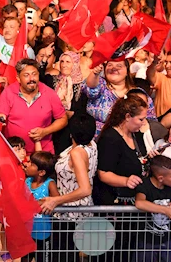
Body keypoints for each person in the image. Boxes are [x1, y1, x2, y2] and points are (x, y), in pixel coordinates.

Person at [38, 106, 98, 261]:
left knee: (62, 256)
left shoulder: (77, 153)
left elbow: (85, 189)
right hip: (77, 211)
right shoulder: (91, 145)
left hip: (70, 214)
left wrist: (56, 200)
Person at [0, 58, 67, 154]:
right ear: (18, 78)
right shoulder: (8, 92)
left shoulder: (49, 93)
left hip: (43, 153)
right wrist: (0, 119)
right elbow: (0, 116)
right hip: (14, 153)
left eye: (34, 74)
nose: (31, 79)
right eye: (26, 75)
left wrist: (45, 131)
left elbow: (63, 119)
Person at [95, 95, 149, 205]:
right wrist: (126, 181)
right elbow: (103, 174)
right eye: (141, 119)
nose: (144, 123)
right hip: (114, 201)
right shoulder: (110, 139)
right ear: (128, 116)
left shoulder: (136, 135)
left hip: (134, 199)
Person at [85, 59, 156, 136]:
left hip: (131, 139)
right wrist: (95, 73)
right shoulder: (101, 86)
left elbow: (151, 120)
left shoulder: (138, 94)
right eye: (110, 65)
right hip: (98, 137)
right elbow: (91, 88)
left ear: (127, 71)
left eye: (119, 66)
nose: (113, 68)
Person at [23, 151, 58, 262]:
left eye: (32, 164)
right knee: (25, 259)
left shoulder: (50, 184)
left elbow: (57, 200)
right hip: (27, 232)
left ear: (41, 172)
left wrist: (41, 203)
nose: (27, 165)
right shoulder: (27, 181)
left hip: (43, 233)